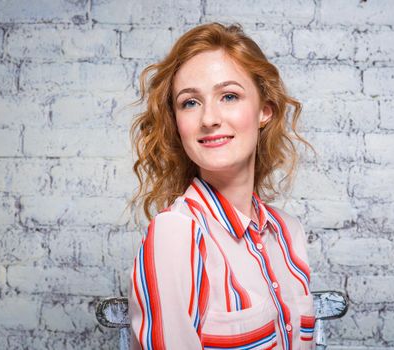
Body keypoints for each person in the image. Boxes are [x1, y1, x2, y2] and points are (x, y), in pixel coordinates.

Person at [128, 22, 316, 350]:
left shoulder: (289, 234)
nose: (209, 118)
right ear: (177, 123)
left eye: (229, 96)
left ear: (264, 111)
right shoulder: (176, 234)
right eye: (190, 102)